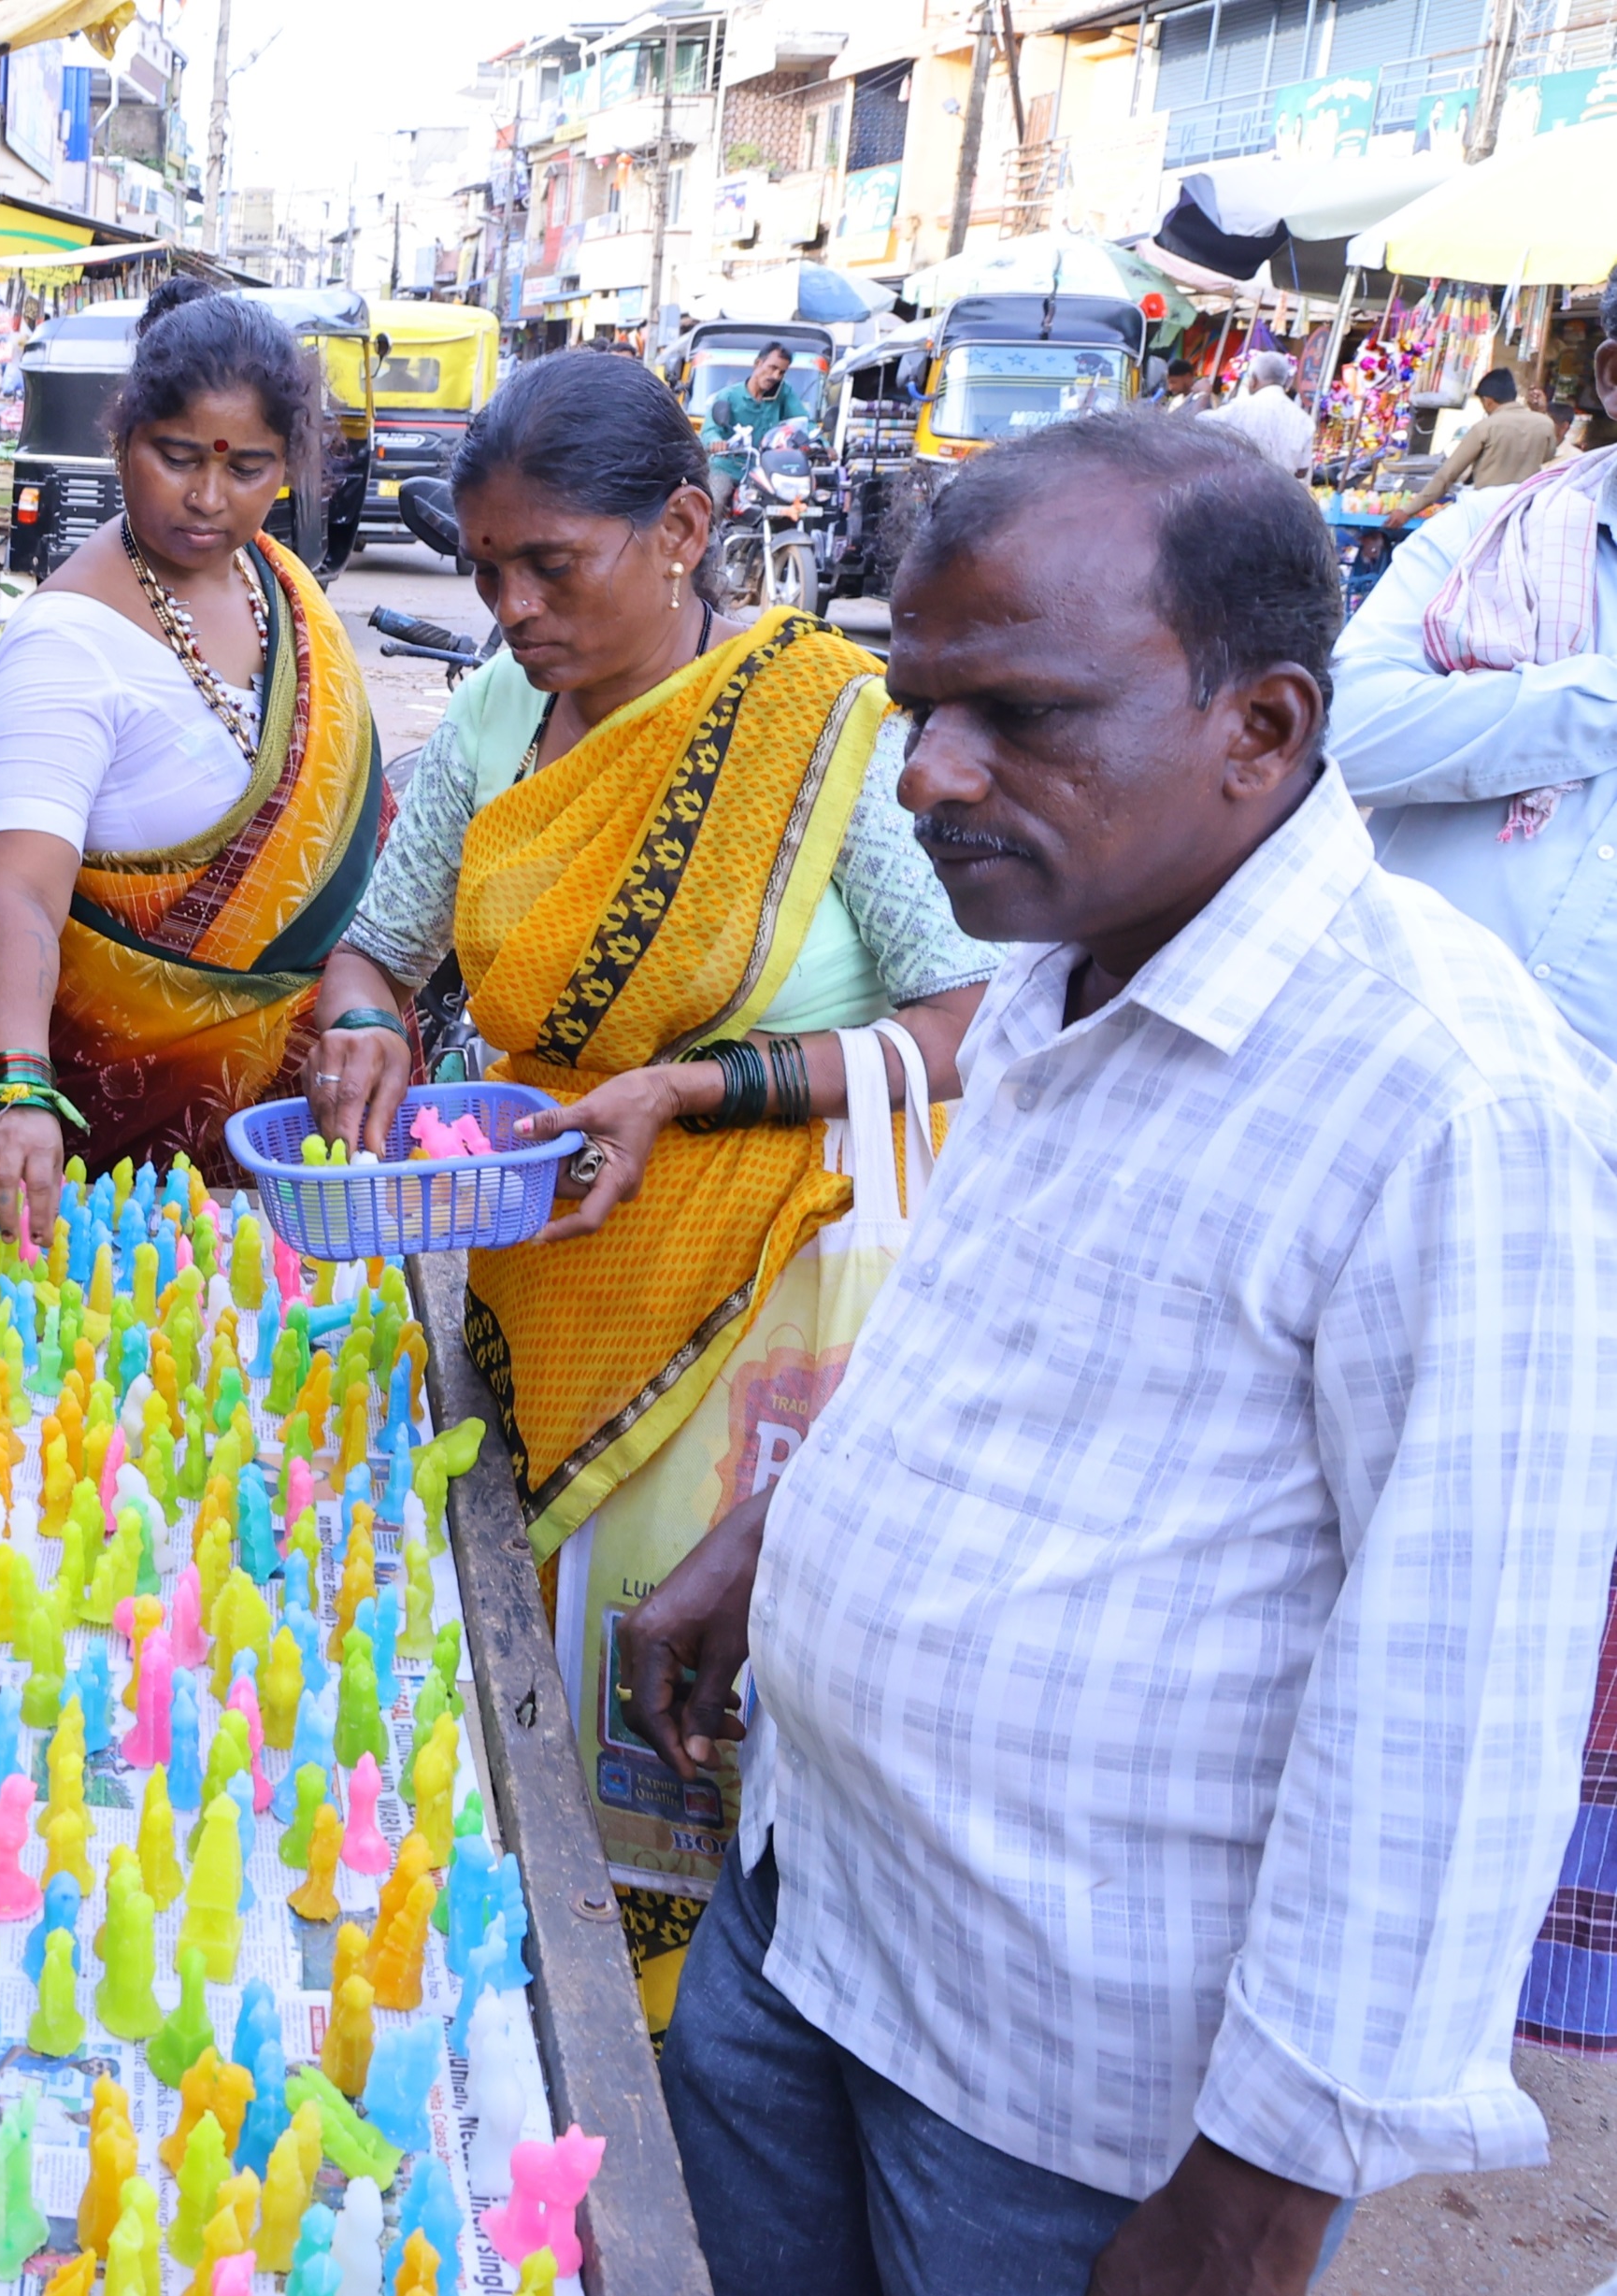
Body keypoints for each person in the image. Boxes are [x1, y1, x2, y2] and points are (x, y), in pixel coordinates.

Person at [623, 410, 1617, 2296]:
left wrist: (1250, 2201)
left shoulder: (1444, 1102)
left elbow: (1453, 1710)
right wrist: (780, 1534)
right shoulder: (1054, 956)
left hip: (1064, 2094)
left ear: (1258, 727)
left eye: (1018, 712)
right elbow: (976, 1331)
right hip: (808, 1911)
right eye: (915, 704)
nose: (926, 774)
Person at [308, 350, 992, 1999]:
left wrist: (695, 1085)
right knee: (541, 1655)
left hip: (768, 1287)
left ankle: (721, 2042)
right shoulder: (489, 714)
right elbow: (379, 950)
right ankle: (571, 2004)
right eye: (484, 571)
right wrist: (360, 1031)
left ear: (680, 526)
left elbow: (968, 1016)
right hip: (545, 1263)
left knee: (699, 1686)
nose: (513, 605)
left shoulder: (816, 716)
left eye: (553, 563)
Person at [1327, 267, 1617, 2054]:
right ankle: (1390, 1935)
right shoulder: (1480, 546)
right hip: (1449, 1140)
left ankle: (1548, 1955)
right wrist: (1588, 704)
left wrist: (1500, 712)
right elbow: (1352, 735)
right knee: (1418, 1530)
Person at [0, 282, 385, 1223]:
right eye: (175, 457)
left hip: (318, 1119)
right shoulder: (62, 644)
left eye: (247, 468)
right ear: (121, 439)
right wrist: (17, 1085)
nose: (205, 497)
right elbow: (18, 887)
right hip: (133, 1131)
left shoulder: (281, 589)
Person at [1387, 364, 1562, 528]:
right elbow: (1547, 456)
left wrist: (1408, 511)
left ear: (1488, 401)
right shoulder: (1545, 423)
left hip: (1487, 514)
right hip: (1525, 512)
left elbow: (1447, 475)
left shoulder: (1485, 427)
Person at [701, 340, 813, 498]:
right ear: (758, 363)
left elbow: (803, 422)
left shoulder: (783, 393)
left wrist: (820, 443)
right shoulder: (728, 396)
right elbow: (710, 431)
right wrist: (716, 442)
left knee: (802, 500)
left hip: (766, 470)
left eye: (782, 372)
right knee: (716, 500)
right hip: (729, 468)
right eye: (773, 368)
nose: (776, 376)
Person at [1205, 348, 1315, 474]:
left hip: (1240, 487)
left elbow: (1196, 426)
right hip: (1281, 490)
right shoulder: (1303, 420)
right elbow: (1302, 471)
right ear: (1286, 382)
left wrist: (1201, 395)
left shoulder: (1237, 409)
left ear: (1254, 380)